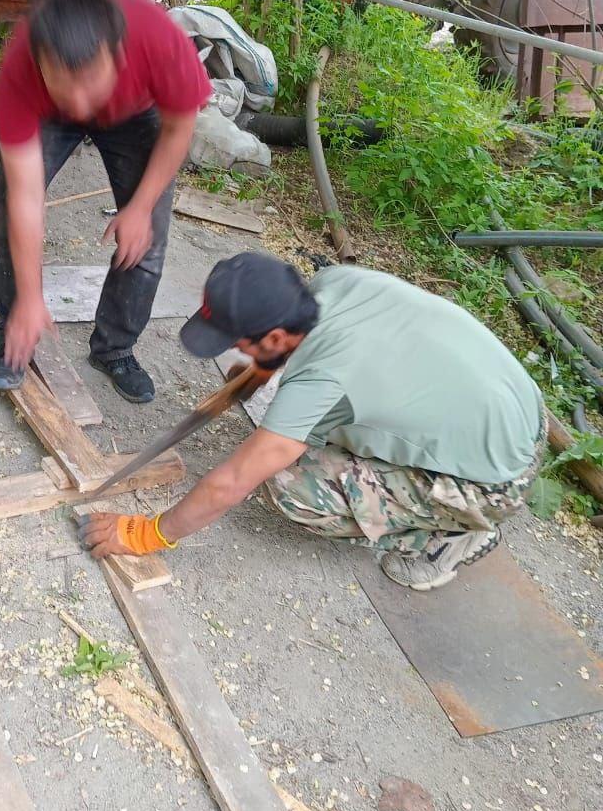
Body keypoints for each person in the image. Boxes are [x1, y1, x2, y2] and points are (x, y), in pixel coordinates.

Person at [83, 252, 547, 591]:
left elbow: (233, 482)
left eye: (243, 344)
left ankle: (447, 537)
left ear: (278, 335)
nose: (238, 352)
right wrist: (266, 367)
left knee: (290, 486)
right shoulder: (334, 283)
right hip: (518, 407)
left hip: (496, 479)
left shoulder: (323, 377)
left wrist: (150, 532)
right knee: (306, 429)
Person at [0, 0, 211, 404]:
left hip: (136, 111)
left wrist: (141, 207)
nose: (82, 104)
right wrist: (31, 298)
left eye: (90, 82)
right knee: (4, 209)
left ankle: (115, 349)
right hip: (47, 114)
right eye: (65, 85)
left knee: (148, 233)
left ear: (120, 55)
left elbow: (180, 127)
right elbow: (26, 199)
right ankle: (14, 334)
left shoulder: (160, 43)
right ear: (38, 63)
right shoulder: (19, 73)